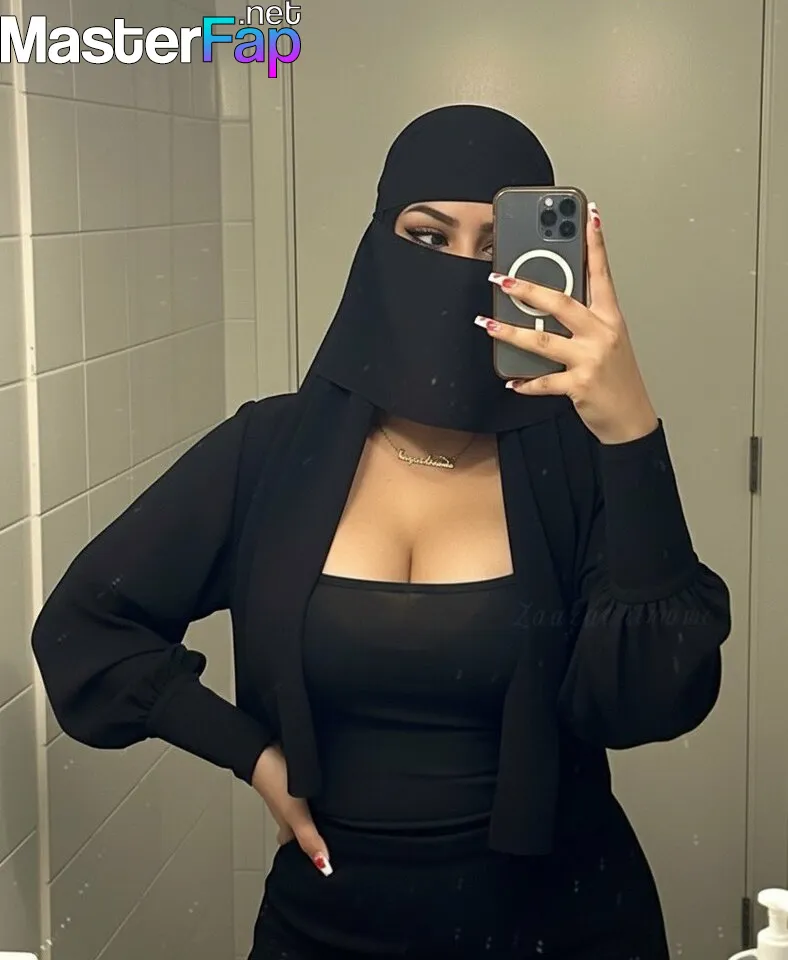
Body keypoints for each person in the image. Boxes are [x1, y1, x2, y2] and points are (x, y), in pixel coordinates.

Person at [31, 105, 731, 960]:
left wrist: (630, 431)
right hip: (323, 927)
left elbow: (650, 700)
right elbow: (84, 627)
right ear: (377, 242)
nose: (461, 271)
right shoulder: (271, 451)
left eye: (495, 248)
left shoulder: (581, 459)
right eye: (428, 237)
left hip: (567, 926)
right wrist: (250, 754)